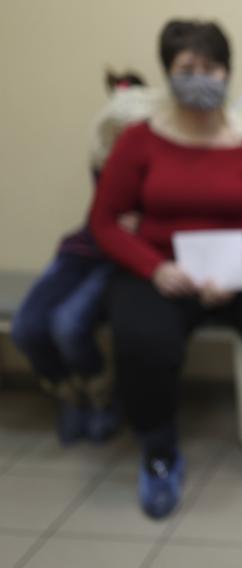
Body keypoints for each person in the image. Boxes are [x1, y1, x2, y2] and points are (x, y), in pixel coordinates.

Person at [89, 19, 242, 520]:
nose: (200, 77)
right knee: (142, 340)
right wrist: (155, 269)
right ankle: (159, 453)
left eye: (209, 67)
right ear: (167, 73)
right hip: (163, 270)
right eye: (186, 68)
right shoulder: (138, 141)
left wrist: (236, 270)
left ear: (227, 72)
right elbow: (105, 223)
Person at [11, 70, 148, 446]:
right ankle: (68, 393)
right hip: (82, 249)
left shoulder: (157, 156)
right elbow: (102, 217)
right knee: (26, 327)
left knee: (69, 325)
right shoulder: (103, 149)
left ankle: (102, 396)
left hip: (120, 259)